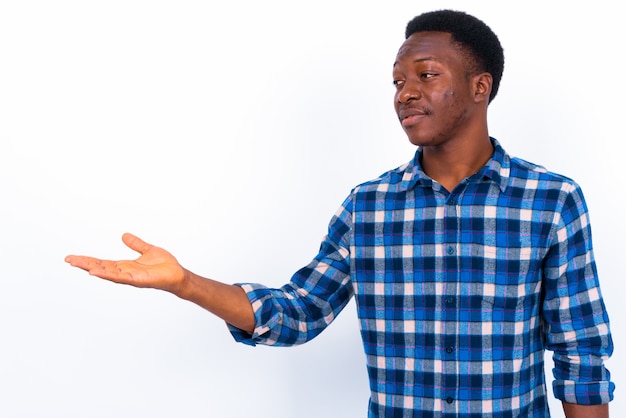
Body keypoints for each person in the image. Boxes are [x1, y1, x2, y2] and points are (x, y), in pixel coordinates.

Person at [65, 9, 614, 418]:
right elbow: (299, 311)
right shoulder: (368, 205)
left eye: (426, 75)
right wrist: (185, 283)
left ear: (479, 86)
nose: (405, 93)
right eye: (398, 81)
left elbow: (580, 353)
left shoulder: (552, 199)